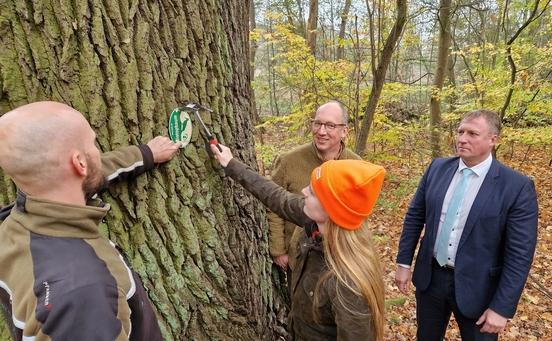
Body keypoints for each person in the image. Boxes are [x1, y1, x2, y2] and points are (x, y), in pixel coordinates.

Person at [0, 101, 181, 340]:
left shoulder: (13, 225)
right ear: (80, 163)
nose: (97, 151)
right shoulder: (82, 295)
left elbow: (84, 173)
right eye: (93, 144)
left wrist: (146, 154)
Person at [210, 143, 386, 341]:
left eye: (312, 191)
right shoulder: (315, 223)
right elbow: (278, 198)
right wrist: (232, 164)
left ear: (331, 209)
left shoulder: (348, 285)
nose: (303, 191)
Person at [395, 109, 538, 340]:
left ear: (493, 139)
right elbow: (414, 216)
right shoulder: (437, 168)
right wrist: (403, 262)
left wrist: (502, 307)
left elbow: (520, 254)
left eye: (472, 133)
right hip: (431, 279)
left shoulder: (516, 187)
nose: (462, 138)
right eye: (460, 131)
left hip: (480, 289)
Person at [268, 100, 360, 275]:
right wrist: (278, 250)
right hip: (298, 260)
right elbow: (274, 206)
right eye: (317, 123)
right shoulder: (289, 161)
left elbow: (360, 218)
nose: (321, 131)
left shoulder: (356, 166)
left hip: (341, 261)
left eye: (330, 125)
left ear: (344, 131)